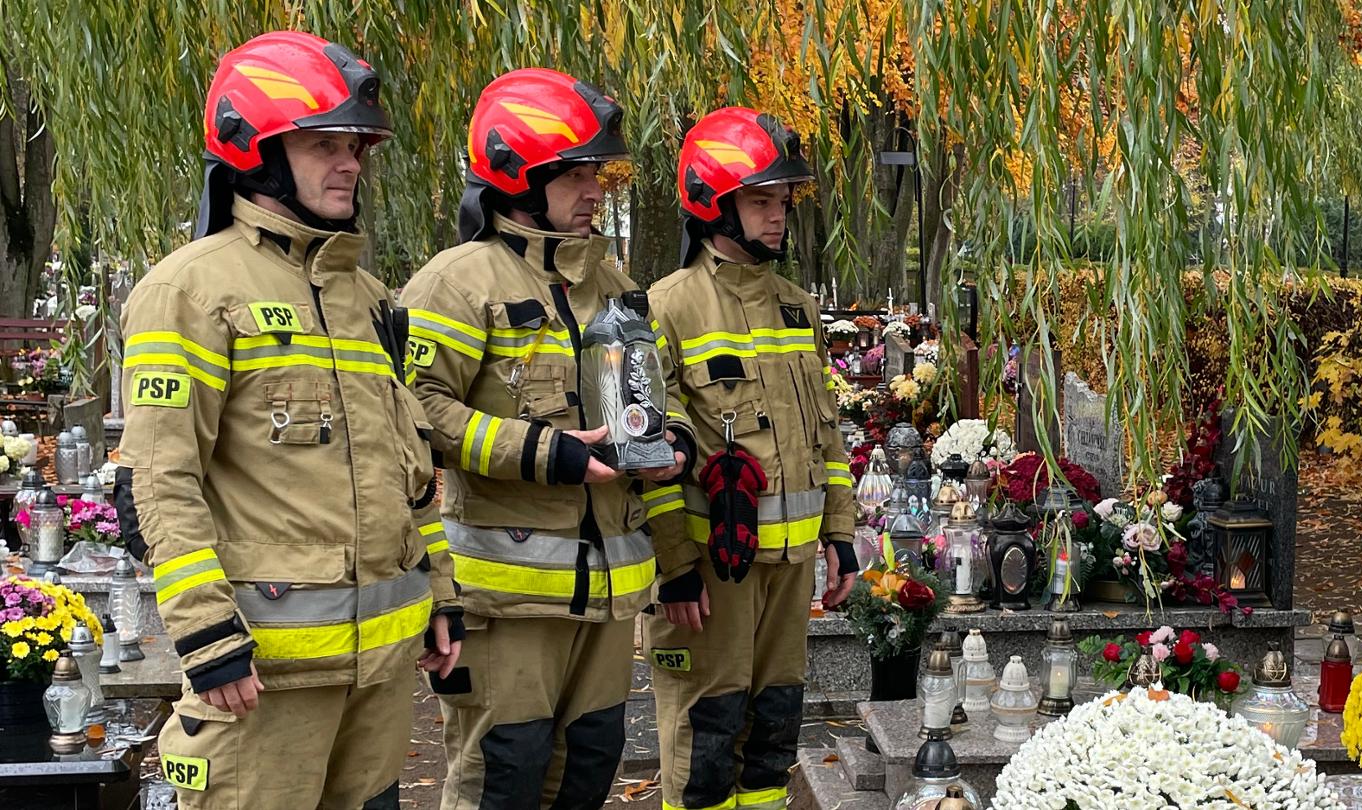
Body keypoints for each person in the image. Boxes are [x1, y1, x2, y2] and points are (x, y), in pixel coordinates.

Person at [117, 30, 456, 809]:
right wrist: (207, 636)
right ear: (254, 149)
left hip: (379, 670)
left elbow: (407, 471)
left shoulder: (365, 298)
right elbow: (160, 479)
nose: (351, 163)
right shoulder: (191, 292)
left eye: (358, 146)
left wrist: (439, 595)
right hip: (261, 678)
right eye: (324, 144)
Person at [400, 67, 689, 810]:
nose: (596, 190)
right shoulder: (456, 282)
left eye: (597, 173)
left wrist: (670, 439)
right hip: (508, 601)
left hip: (609, 599)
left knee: (587, 771)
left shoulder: (612, 279)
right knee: (504, 778)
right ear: (516, 176)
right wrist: (545, 453)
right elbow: (413, 408)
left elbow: (655, 387)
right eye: (575, 175)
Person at [644, 106, 860, 810]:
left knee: (772, 733)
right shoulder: (667, 309)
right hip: (712, 576)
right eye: (761, 200)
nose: (778, 216)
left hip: (790, 573)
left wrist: (840, 537)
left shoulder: (796, 307)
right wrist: (675, 568)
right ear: (714, 201)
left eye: (783, 201)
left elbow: (823, 437)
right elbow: (652, 459)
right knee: (706, 740)